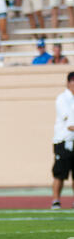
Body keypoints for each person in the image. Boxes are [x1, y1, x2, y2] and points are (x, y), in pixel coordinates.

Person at [51, 72, 74, 209]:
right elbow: (69, 124)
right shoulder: (62, 99)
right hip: (63, 141)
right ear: (69, 83)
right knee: (60, 173)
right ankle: (56, 200)